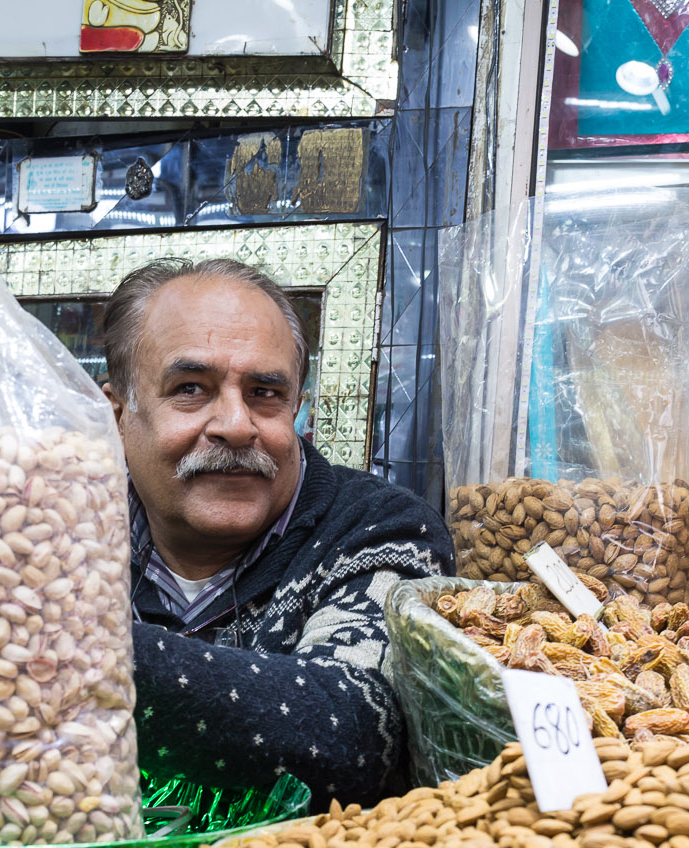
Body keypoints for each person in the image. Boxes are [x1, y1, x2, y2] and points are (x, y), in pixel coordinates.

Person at [101, 258, 454, 808]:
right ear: (117, 415)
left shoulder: (380, 528)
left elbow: (351, 734)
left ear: (297, 408)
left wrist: (64, 652)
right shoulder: (61, 533)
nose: (237, 425)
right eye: (191, 388)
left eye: (266, 393)